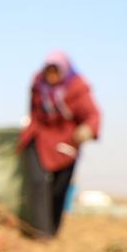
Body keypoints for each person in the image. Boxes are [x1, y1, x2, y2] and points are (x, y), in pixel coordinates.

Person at [18, 51, 100, 237]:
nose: (52, 75)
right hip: (39, 138)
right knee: (38, 184)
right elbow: (33, 111)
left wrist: (87, 129)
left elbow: (93, 114)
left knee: (58, 189)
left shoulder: (76, 88)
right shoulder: (38, 85)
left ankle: (53, 229)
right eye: (49, 70)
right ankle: (40, 233)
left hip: (66, 142)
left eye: (56, 71)